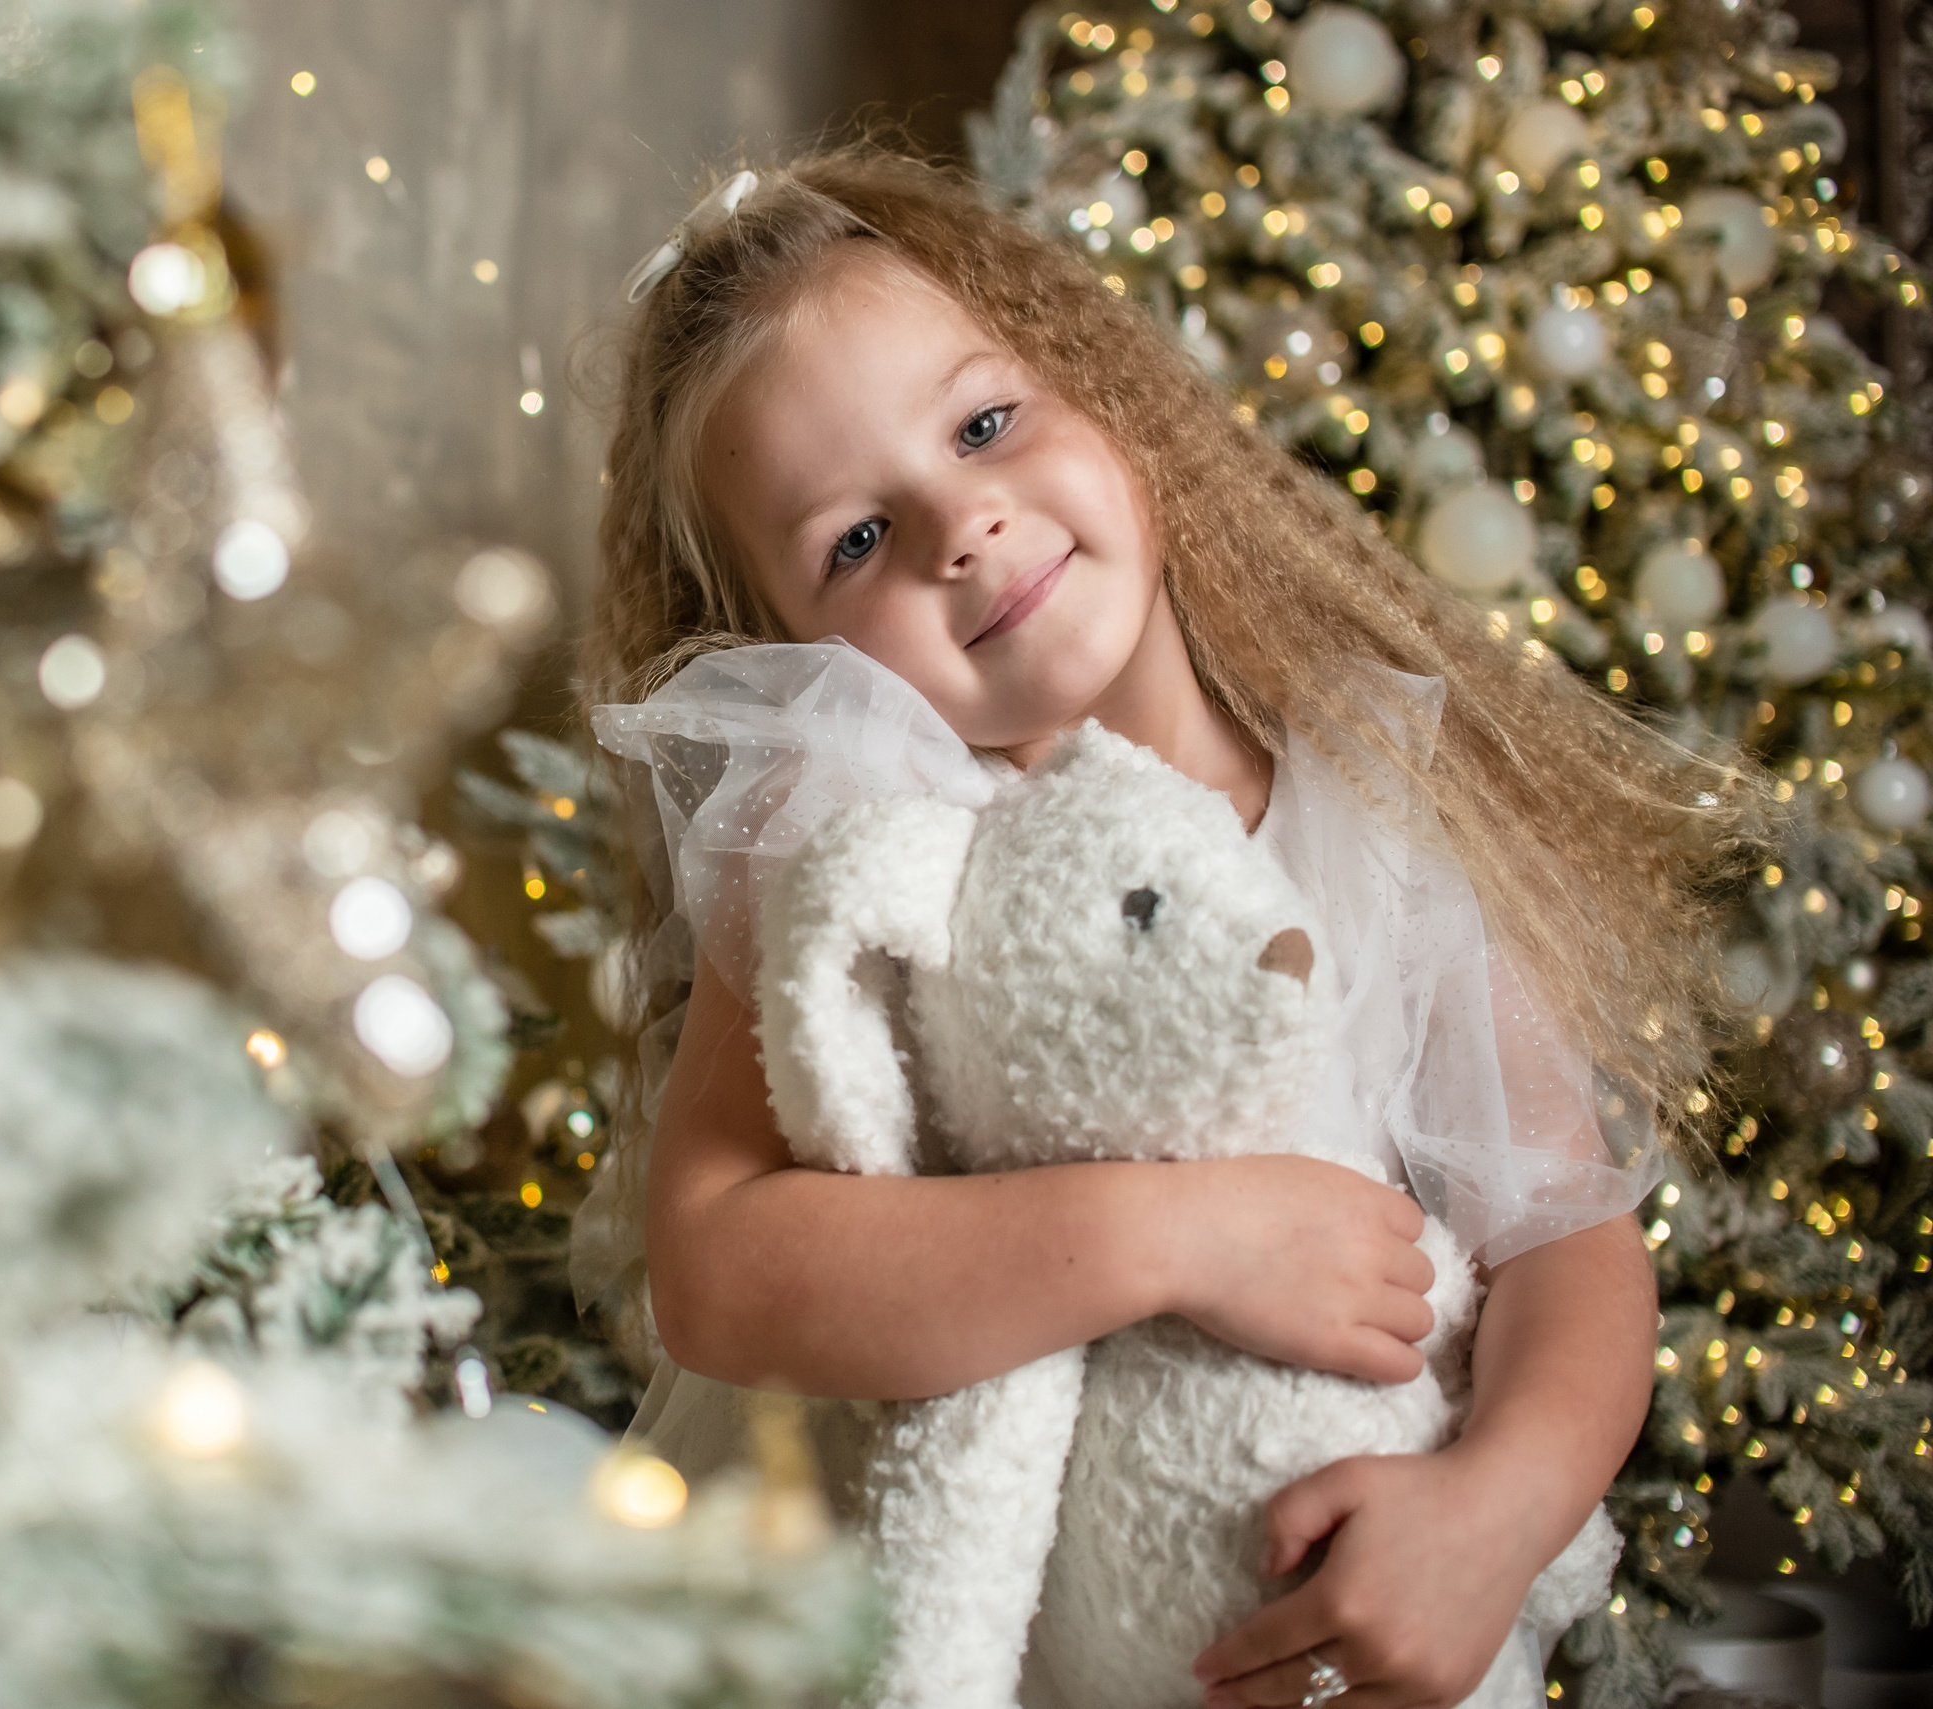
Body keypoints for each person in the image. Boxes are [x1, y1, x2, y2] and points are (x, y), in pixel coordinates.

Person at [568, 147, 1756, 1708]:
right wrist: (1178, 1236)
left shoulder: (1371, 812)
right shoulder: (866, 842)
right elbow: (720, 1268)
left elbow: (1565, 1233)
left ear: (1111, 397)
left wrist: (1497, 1509)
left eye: (985, 425)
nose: (963, 526)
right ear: (793, 652)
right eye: (854, 539)